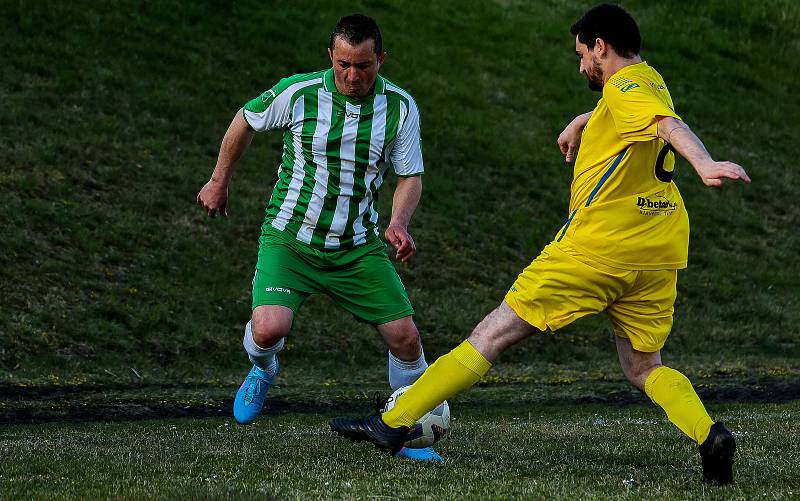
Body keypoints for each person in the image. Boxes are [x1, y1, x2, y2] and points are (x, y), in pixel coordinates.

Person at [329, 4, 750, 483]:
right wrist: (585, 118)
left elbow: (666, 127)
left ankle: (393, 423)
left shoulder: (626, 88)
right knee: (644, 366)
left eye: (582, 54)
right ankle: (708, 434)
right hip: (658, 253)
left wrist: (705, 163)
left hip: (596, 250)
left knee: (491, 334)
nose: (580, 66)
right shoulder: (648, 81)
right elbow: (642, 113)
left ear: (601, 47)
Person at [197, 13, 442, 461]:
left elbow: (410, 176)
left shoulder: (401, 108)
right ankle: (262, 369)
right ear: (330, 56)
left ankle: (403, 429)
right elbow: (245, 120)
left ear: (381, 60)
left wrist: (400, 222)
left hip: (357, 247)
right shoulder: (300, 93)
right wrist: (218, 181)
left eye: (363, 66)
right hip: (290, 239)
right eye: (343, 64)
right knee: (269, 330)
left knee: (406, 338)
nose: (352, 76)